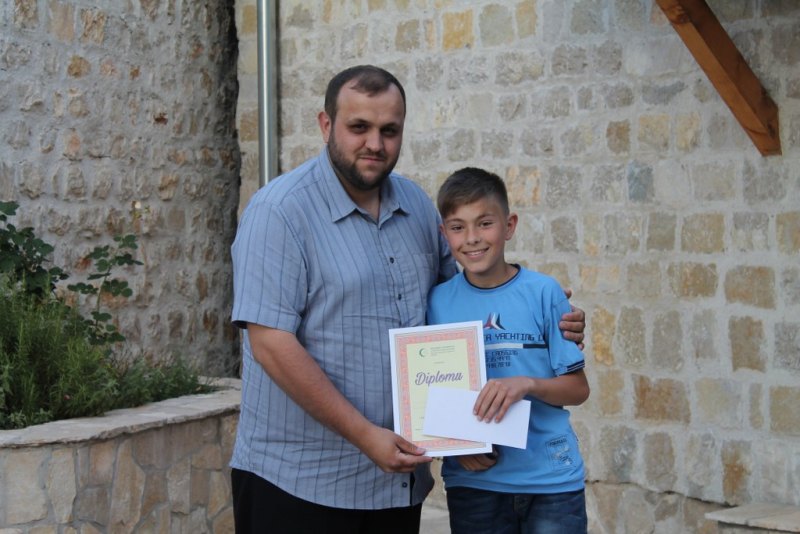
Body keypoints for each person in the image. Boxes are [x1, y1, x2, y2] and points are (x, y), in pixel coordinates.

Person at [229, 65, 586, 534]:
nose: (375, 144)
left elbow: (465, 301)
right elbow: (271, 344)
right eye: (359, 127)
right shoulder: (279, 212)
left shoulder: (417, 207)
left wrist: (541, 306)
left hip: (395, 483)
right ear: (325, 124)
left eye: (389, 130)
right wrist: (364, 435)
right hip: (300, 481)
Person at [426, 167, 590, 534]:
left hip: (551, 482)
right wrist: (456, 446)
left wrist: (527, 384)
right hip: (475, 484)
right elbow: (426, 394)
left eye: (485, 223)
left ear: (509, 225)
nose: (472, 238)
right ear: (444, 234)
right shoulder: (436, 303)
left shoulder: (545, 293)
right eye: (457, 227)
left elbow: (578, 389)